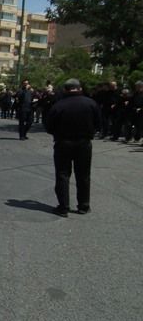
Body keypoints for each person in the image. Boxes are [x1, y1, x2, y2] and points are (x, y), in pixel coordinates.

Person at [46, 78, 100, 217]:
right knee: (83, 175)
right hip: (84, 143)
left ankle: (63, 207)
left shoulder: (59, 105)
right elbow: (99, 123)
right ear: (80, 88)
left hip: (63, 142)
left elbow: (49, 126)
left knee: (63, 174)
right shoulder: (90, 103)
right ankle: (83, 205)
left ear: (65, 90)